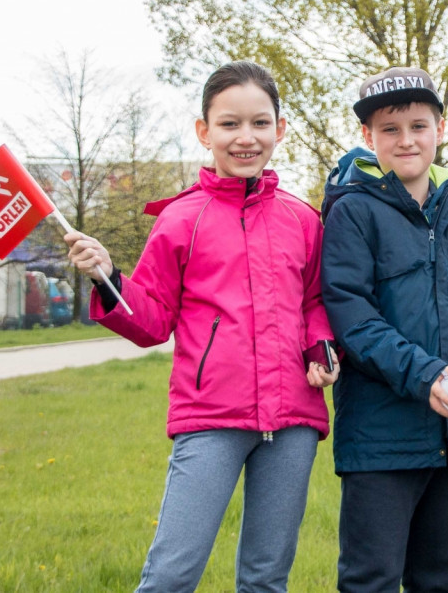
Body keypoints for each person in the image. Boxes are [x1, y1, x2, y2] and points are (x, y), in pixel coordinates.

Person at [63, 61, 340, 592]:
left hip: (294, 421)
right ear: (204, 131)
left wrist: (320, 345)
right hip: (210, 416)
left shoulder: (303, 220)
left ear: (279, 130)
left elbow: (316, 301)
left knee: (266, 577)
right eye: (230, 123)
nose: (246, 137)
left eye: (260, 123)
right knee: (171, 573)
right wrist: (108, 278)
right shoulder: (180, 220)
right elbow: (151, 318)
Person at [319, 66, 448, 592]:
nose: (406, 140)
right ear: (368, 137)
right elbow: (353, 318)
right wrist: (427, 375)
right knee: (372, 580)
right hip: (380, 439)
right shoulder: (352, 213)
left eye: (418, 125)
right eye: (390, 130)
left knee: (437, 581)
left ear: (441, 127)